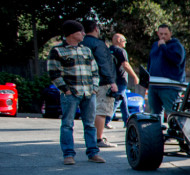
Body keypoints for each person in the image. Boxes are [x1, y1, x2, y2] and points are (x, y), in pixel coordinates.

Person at [48, 20, 103, 165]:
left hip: (88, 93)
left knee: (90, 124)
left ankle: (93, 153)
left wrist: (94, 88)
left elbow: (95, 71)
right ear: (72, 34)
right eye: (81, 31)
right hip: (71, 94)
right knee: (67, 124)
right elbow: (53, 73)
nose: (84, 34)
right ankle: (68, 154)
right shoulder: (58, 51)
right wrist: (65, 90)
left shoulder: (86, 50)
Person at [81, 20, 118, 148]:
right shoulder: (99, 44)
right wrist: (112, 82)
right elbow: (103, 64)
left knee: (89, 111)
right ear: (96, 29)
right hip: (101, 82)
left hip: (83, 82)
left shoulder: (81, 43)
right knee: (101, 110)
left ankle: (91, 137)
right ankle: (98, 138)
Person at [147, 24, 186, 119]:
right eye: (161, 34)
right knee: (154, 114)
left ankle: (176, 132)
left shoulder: (176, 46)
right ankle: (156, 132)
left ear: (170, 34)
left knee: (172, 113)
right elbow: (150, 62)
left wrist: (164, 47)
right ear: (157, 34)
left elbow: (177, 60)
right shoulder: (155, 45)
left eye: (166, 34)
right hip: (154, 84)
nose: (163, 36)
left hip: (170, 86)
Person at [110, 33, 140, 125]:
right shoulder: (121, 51)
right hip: (120, 79)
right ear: (119, 40)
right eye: (124, 41)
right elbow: (125, 65)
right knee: (117, 100)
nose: (125, 43)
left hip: (112, 79)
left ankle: (127, 120)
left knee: (123, 101)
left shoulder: (109, 50)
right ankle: (107, 119)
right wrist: (135, 76)